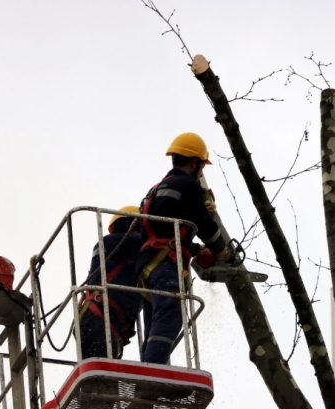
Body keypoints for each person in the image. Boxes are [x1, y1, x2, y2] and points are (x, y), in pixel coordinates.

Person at [137, 132, 230, 364]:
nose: (201, 172)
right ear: (195, 162)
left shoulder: (155, 189)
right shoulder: (187, 185)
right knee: (169, 313)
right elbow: (205, 225)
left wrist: (196, 250)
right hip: (165, 265)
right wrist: (221, 250)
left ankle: (148, 371)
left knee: (154, 328)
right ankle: (154, 374)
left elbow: (164, 230)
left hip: (146, 267)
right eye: (202, 166)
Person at [79, 206, 143, 359]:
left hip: (107, 322)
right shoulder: (110, 242)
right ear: (130, 224)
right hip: (99, 318)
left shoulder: (129, 253)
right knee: (101, 372)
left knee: (105, 374)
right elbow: (146, 241)